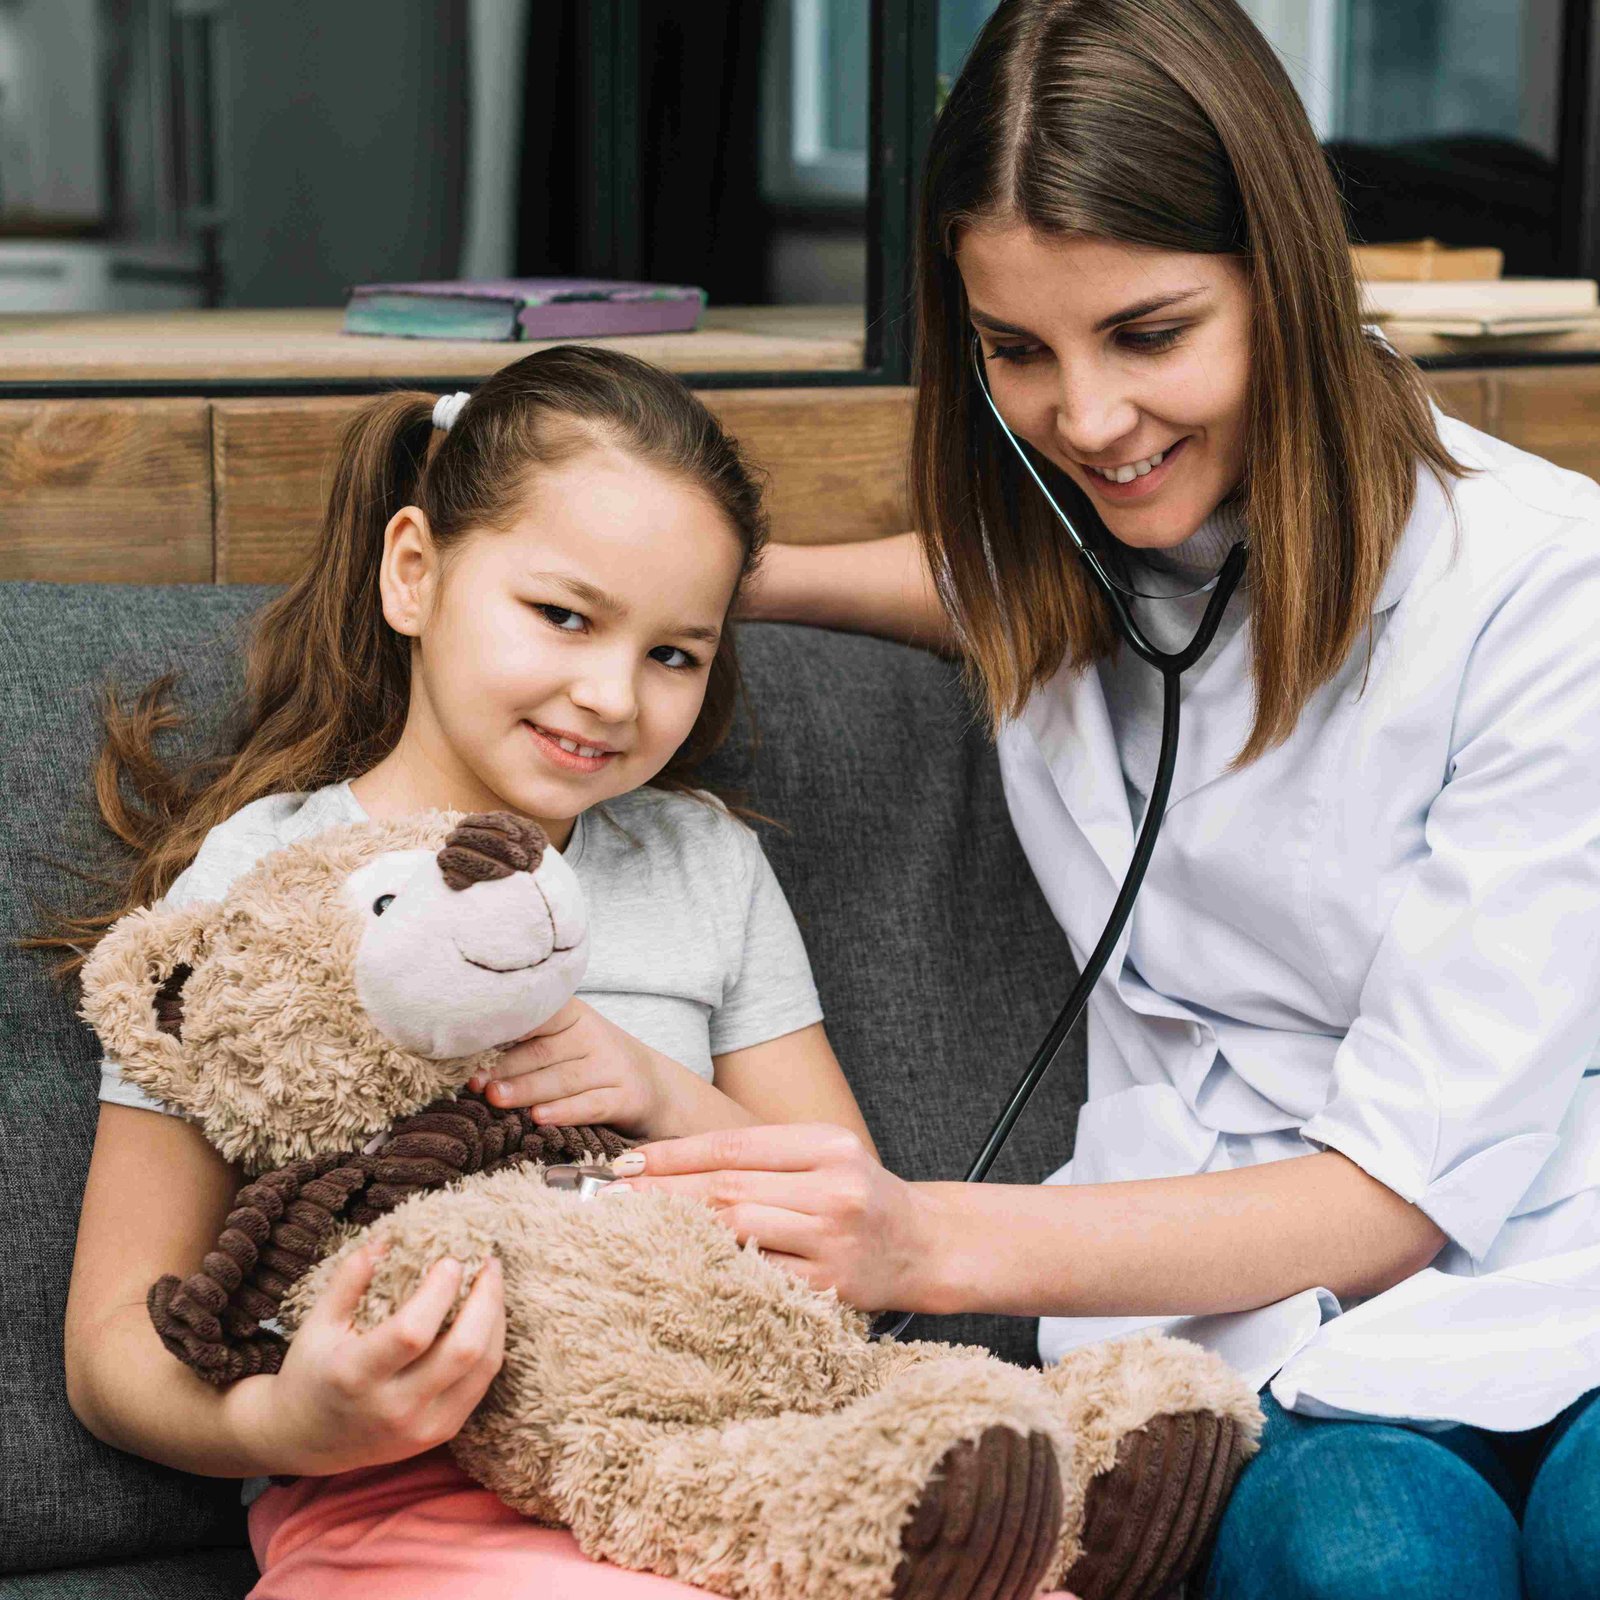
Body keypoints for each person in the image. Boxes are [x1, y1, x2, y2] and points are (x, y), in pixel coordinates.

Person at [606, 2, 1600, 1595]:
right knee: (1367, 1563)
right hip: (1265, 1349)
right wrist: (684, 584)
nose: (1087, 421)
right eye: (1016, 349)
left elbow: (1401, 1192)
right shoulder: (1078, 567)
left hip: (1555, 1267)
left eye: (1149, 334)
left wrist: (922, 1238)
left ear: (1284, 279)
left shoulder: (1546, 590)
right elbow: (969, 581)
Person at [58, 346, 878, 1599]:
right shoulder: (266, 869)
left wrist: (658, 1092)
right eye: (564, 615)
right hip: (410, 1494)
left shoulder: (702, 861)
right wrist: (286, 1425)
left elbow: (859, 1227)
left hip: (726, 1451)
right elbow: (112, 1341)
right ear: (414, 573)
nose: (611, 695)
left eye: (676, 653)